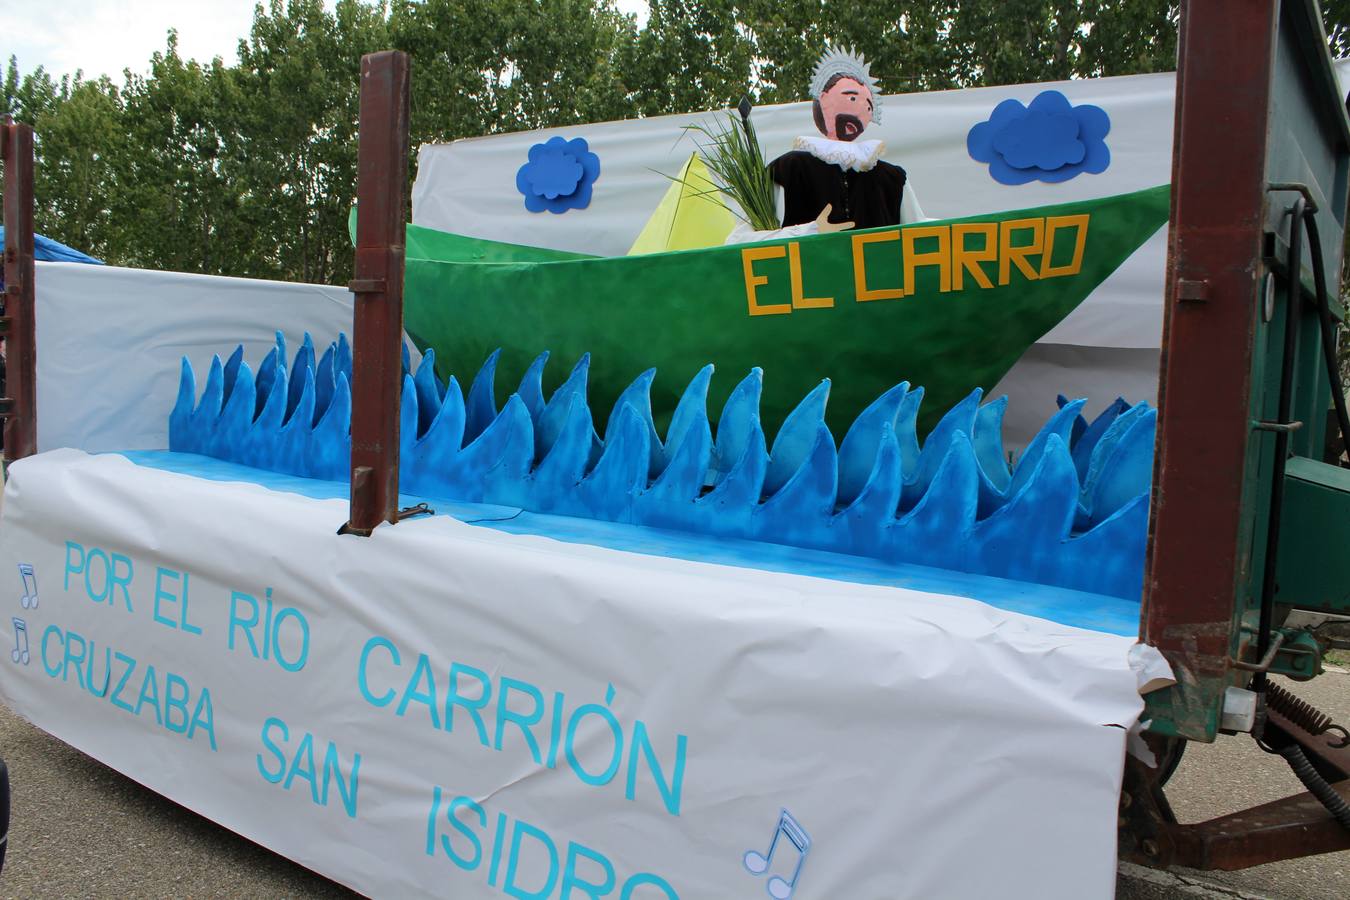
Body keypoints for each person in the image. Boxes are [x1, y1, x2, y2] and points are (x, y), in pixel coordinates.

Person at [724, 45, 924, 244]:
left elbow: (923, 234)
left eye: (868, 104)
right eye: (852, 97)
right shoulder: (788, 169)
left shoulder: (893, 179)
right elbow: (739, 241)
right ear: (824, 100)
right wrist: (810, 231)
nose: (861, 106)